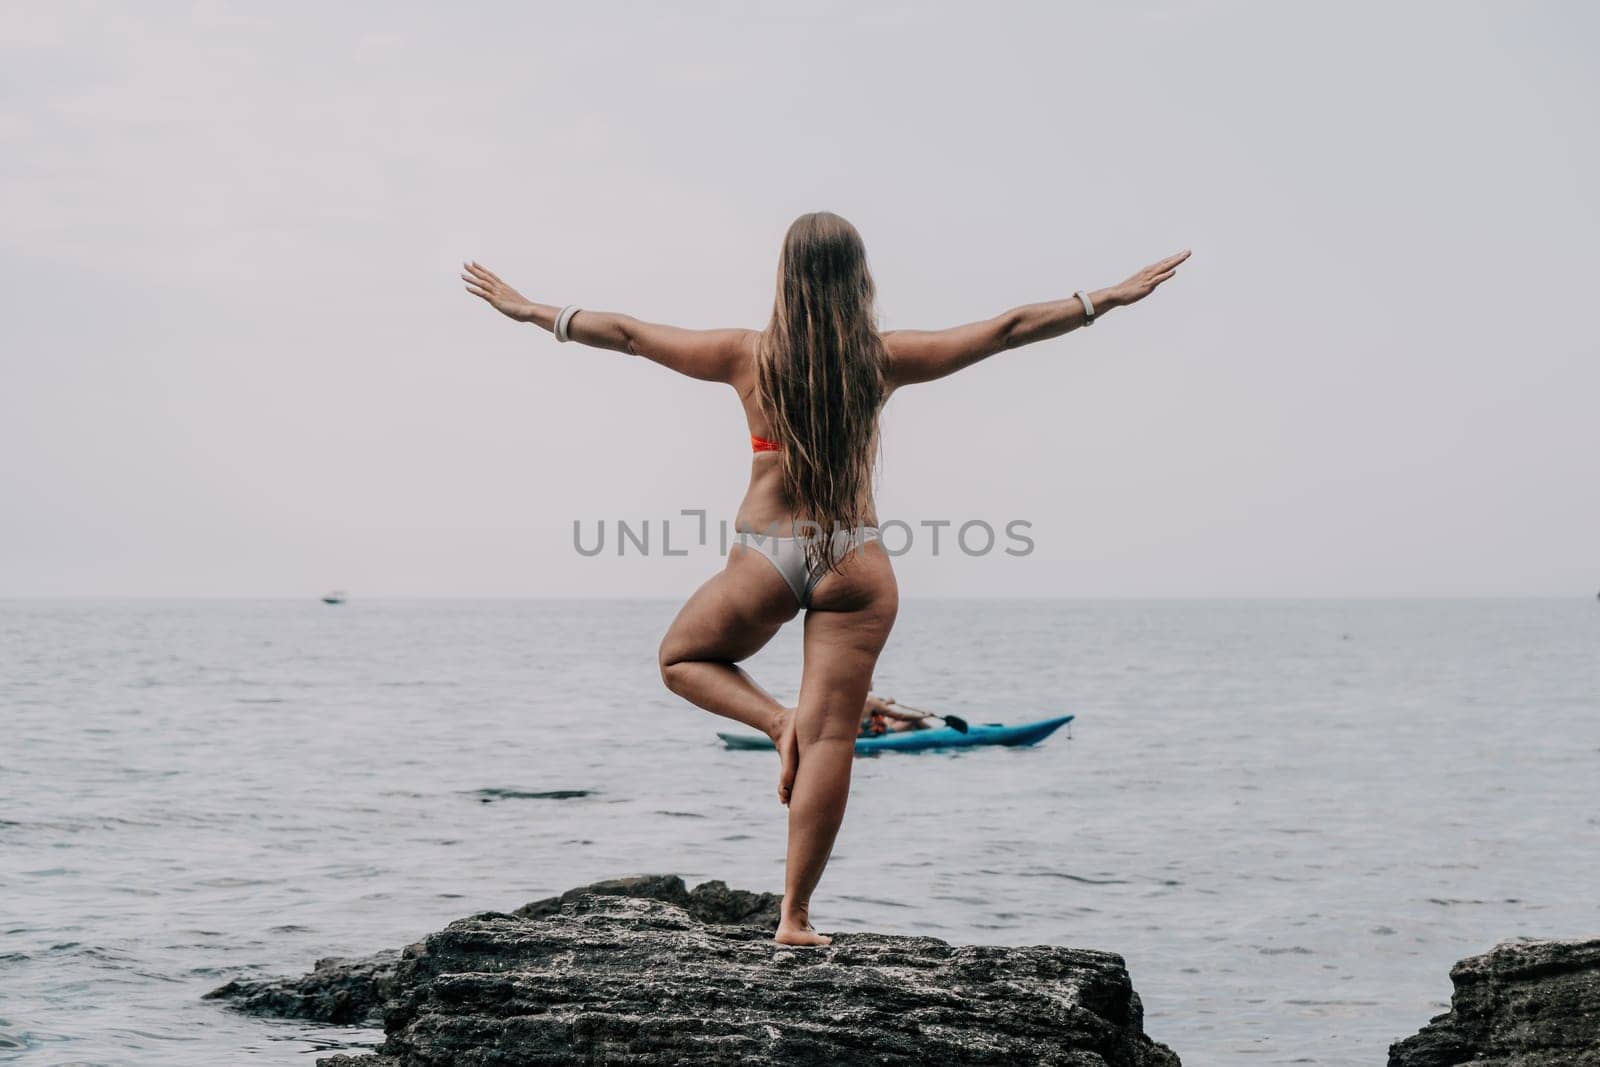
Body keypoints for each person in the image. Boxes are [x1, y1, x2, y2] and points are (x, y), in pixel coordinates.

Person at [461, 212, 1188, 945]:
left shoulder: (745, 356)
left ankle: (778, 722)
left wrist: (534, 312)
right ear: (857, 281)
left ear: (786, 278)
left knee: (680, 659)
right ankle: (795, 915)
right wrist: (1103, 300)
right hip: (855, 562)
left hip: (765, 556)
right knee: (834, 737)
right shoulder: (882, 359)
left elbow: (626, 334)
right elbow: (1005, 330)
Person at [859, 693, 932, 736]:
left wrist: (886, 702)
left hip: (863, 730)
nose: (872, 682)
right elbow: (901, 717)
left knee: (891, 718)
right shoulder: (871, 700)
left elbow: (873, 708)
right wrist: (924, 716)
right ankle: (934, 732)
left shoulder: (859, 698)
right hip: (872, 733)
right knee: (913, 720)